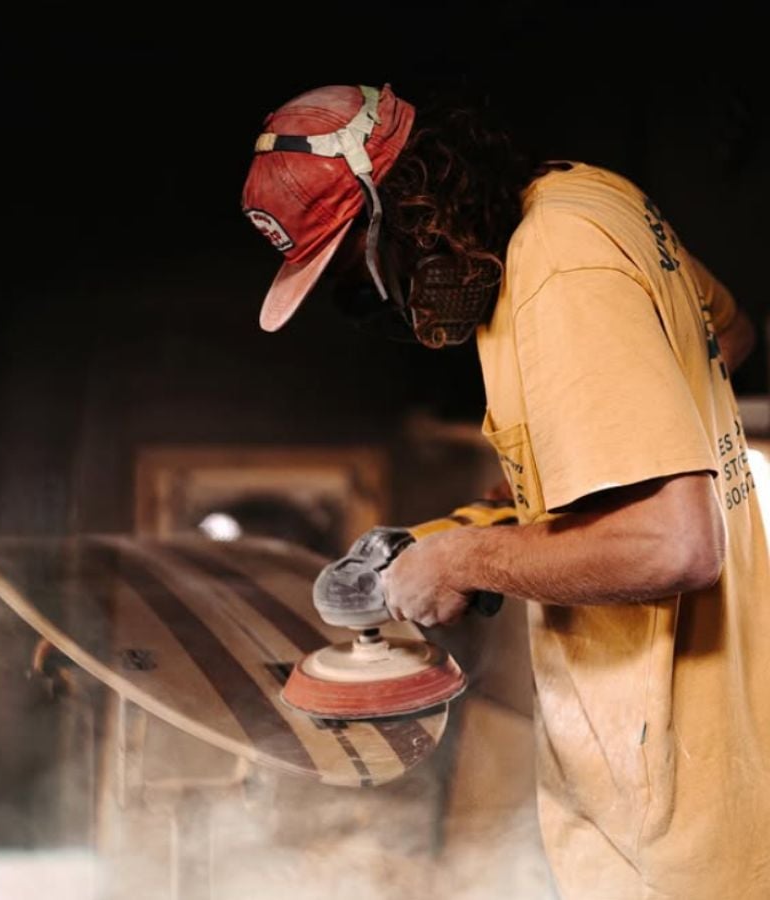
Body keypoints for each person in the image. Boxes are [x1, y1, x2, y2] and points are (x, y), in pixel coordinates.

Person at [241, 83, 769, 900]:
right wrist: (526, 504)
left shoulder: (556, 264)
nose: (376, 304)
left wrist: (463, 562)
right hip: (670, 786)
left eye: (357, 273)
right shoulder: (590, 198)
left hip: (679, 835)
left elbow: (675, 543)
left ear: (407, 209)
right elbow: (728, 335)